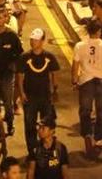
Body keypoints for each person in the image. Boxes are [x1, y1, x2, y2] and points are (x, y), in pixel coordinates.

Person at [17, 28, 59, 156]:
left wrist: (54, 91)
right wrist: (21, 93)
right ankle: (32, 152)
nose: (32, 42)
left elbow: (54, 74)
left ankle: (46, 150)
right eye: (31, 39)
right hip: (30, 97)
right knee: (30, 125)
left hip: (45, 96)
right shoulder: (24, 57)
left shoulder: (49, 57)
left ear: (42, 41)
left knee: (47, 125)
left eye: (35, 40)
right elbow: (20, 76)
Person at [0, 6, 23, 136]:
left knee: (7, 101)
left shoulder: (12, 36)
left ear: (6, 18)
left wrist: (14, 67)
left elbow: (20, 54)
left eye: (1, 17)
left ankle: (10, 123)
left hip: (7, 73)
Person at [72, 20, 102, 158]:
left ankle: (87, 136)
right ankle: (99, 139)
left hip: (86, 81)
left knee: (85, 111)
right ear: (99, 31)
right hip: (101, 81)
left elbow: (75, 65)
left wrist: (74, 81)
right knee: (101, 111)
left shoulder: (80, 46)